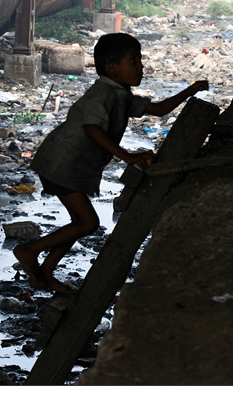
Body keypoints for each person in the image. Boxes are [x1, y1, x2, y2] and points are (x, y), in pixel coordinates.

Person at [14, 33, 209, 293]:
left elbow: (160, 109)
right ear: (111, 68)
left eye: (139, 60)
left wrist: (192, 89)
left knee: (78, 223)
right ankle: (29, 250)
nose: (141, 66)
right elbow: (92, 128)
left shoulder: (121, 94)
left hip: (74, 166)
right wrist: (127, 156)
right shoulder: (103, 94)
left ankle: (45, 272)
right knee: (87, 223)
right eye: (133, 60)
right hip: (61, 163)